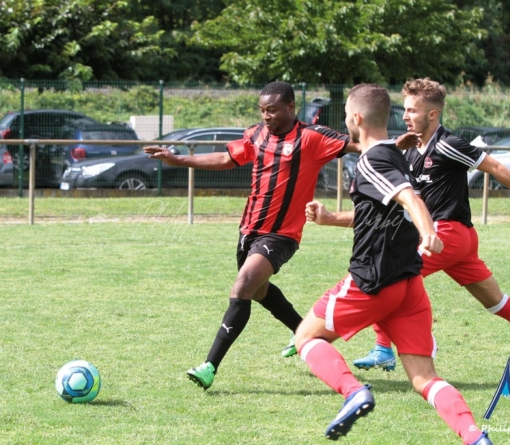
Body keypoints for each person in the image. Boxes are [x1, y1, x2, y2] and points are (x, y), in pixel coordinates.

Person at [298, 83, 492, 444]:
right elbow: (375, 212)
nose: (345, 121)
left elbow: (408, 198)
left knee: (306, 338)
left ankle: (353, 392)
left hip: (374, 279)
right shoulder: (397, 152)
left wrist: (428, 230)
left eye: (345, 116)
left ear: (356, 117)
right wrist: (329, 218)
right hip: (408, 284)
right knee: (424, 379)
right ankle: (474, 436)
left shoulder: (373, 160)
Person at [349, 77, 510, 382]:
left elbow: (495, 168)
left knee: (391, 274)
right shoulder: (412, 148)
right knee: (498, 303)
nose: (404, 116)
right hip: (459, 242)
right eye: (404, 109)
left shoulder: (448, 144)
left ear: (432, 115)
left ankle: (385, 348)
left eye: (412, 111)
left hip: (449, 234)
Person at [143, 81, 364, 390]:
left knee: (244, 284)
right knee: (258, 291)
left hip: (282, 235)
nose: (265, 116)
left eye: (272, 110)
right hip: (248, 231)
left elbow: (361, 144)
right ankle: (303, 331)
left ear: (290, 108)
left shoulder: (311, 137)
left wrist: (402, 144)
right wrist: (178, 159)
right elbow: (225, 159)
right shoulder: (256, 135)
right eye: (262, 110)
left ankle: (209, 365)